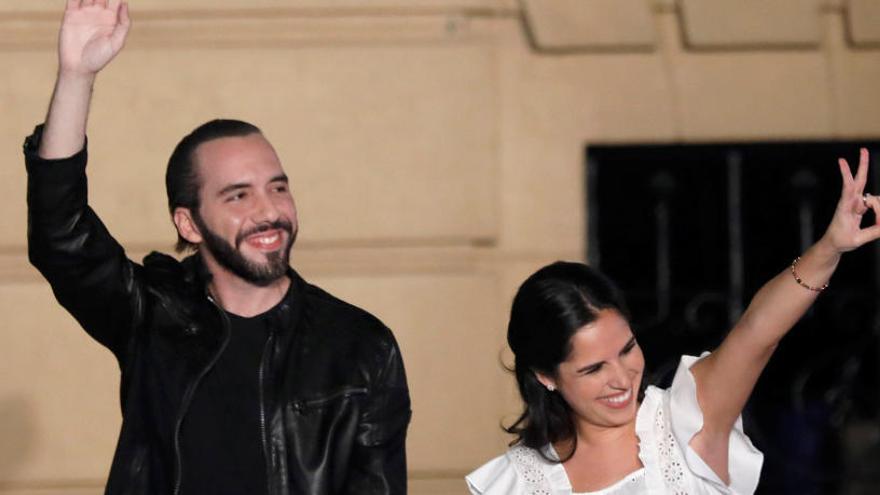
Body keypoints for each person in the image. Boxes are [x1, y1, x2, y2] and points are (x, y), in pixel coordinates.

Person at [24, 1, 410, 494]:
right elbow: (62, 236)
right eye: (238, 195)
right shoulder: (152, 318)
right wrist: (76, 76)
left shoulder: (360, 345)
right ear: (188, 223)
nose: (269, 211)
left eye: (278, 187)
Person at [466, 150, 880, 494]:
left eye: (626, 348)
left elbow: (757, 332)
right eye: (593, 368)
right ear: (545, 376)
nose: (621, 377)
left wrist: (829, 249)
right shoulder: (517, 482)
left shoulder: (686, 420)